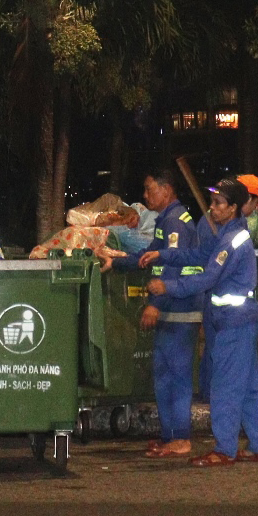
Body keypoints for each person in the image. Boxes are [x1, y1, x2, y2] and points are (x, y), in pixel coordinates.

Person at [151, 178, 258, 467]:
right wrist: (162, 254)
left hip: (234, 323)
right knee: (249, 387)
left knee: (225, 387)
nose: (212, 208)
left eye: (218, 203)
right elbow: (198, 255)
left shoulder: (232, 241)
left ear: (232, 208)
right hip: (239, 321)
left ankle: (225, 450)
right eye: (213, 202)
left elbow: (208, 278)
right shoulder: (228, 235)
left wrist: (168, 287)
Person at [96, 170, 203, 457]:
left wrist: (155, 305)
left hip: (180, 309)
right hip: (172, 309)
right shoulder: (165, 221)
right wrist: (115, 262)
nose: (145, 196)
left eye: (149, 189)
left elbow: (171, 266)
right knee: (164, 376)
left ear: (166, 190)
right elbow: (149, 257)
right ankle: (169, 437)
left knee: (176, 377)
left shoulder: (174, 222)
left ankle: (180, 438)